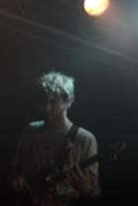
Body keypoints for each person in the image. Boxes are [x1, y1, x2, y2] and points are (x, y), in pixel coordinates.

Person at [11, 71, 100, 205]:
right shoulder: (30, 131)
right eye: (44, 101)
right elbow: (16, 170)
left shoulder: (85, 139)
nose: (46, 108)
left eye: (53, 102)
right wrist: (17, 179)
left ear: (68, 101)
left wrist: (86, 189)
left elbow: (96, 193)